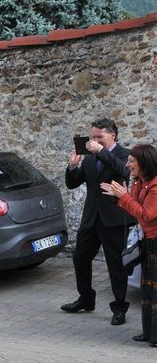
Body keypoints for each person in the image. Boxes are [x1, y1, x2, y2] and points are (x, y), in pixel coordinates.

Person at [62, 118, 132, 325]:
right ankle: (86, 298)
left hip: (114, 219)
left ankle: (119, 307)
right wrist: (72, 167)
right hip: (91, 218)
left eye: (99, 137)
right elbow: (73, 183)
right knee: (80, 259)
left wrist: (101, 151)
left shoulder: (125, 154)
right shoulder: (91, 158)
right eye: (93, 137)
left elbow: (124, 171)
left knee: (115, 265)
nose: (94, 140)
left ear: (113, 136)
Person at [101, 144, 157, 345]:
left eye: (132, 161)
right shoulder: (139, 181)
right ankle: (149, 332)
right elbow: (135, 208)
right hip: (148, 239)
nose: (128, 164)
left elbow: (146, 215)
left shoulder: (155, 186)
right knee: (148, 287)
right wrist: (122, 196)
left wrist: (123, 197)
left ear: (144, 162)